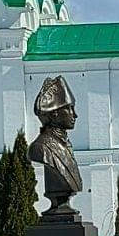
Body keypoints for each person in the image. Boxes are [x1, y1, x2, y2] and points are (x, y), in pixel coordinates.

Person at [29, 76, 83, 215]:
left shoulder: (65, 145)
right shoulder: (41, 147)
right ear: (54, 114)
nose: (75, 115)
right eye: (69, 109)